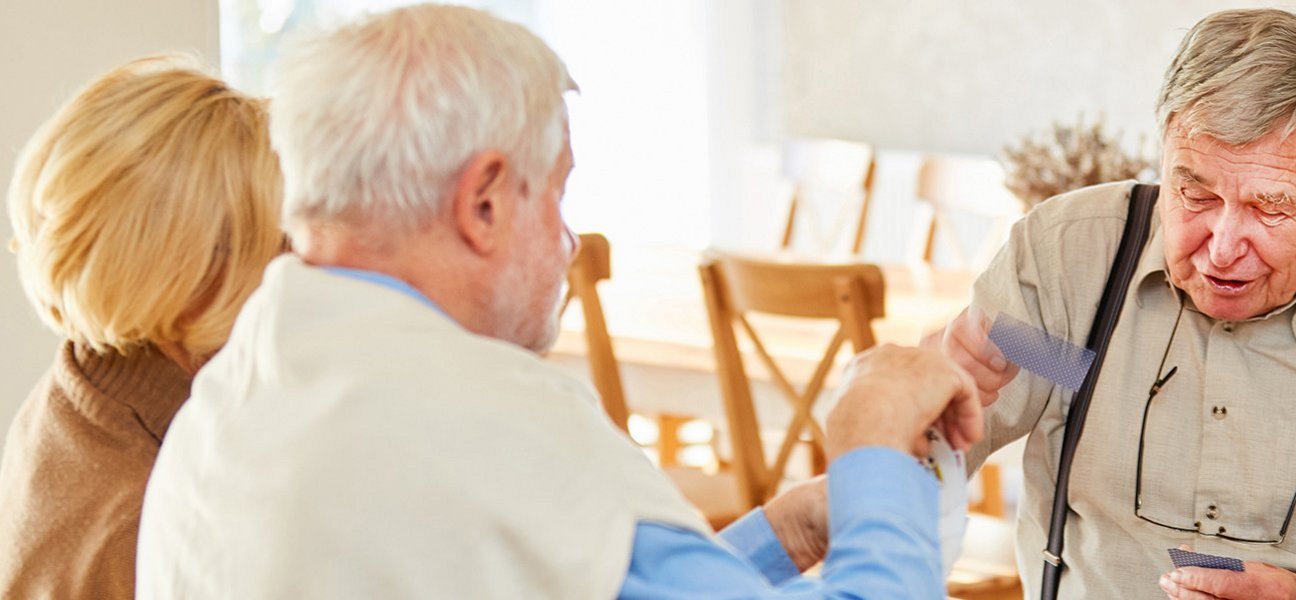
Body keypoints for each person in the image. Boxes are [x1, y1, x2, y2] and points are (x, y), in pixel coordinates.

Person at [133, 5, 981, 598]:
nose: (570, 243)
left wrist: (782, 536)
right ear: (486, 202)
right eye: (559, 195)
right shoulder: (484, 419)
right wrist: (870, 446)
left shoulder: (232, 399)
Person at [929, 8, 1296, 598]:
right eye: (1194, 192)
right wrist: (931, 401)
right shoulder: (1079, 267)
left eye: (1270, 207)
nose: (1221, 250)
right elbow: (960, 431)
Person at [0, 56, 283, 599]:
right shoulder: (145, 519)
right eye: (271, 237)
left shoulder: (82, 382)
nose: (291, 257)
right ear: (192, 271)